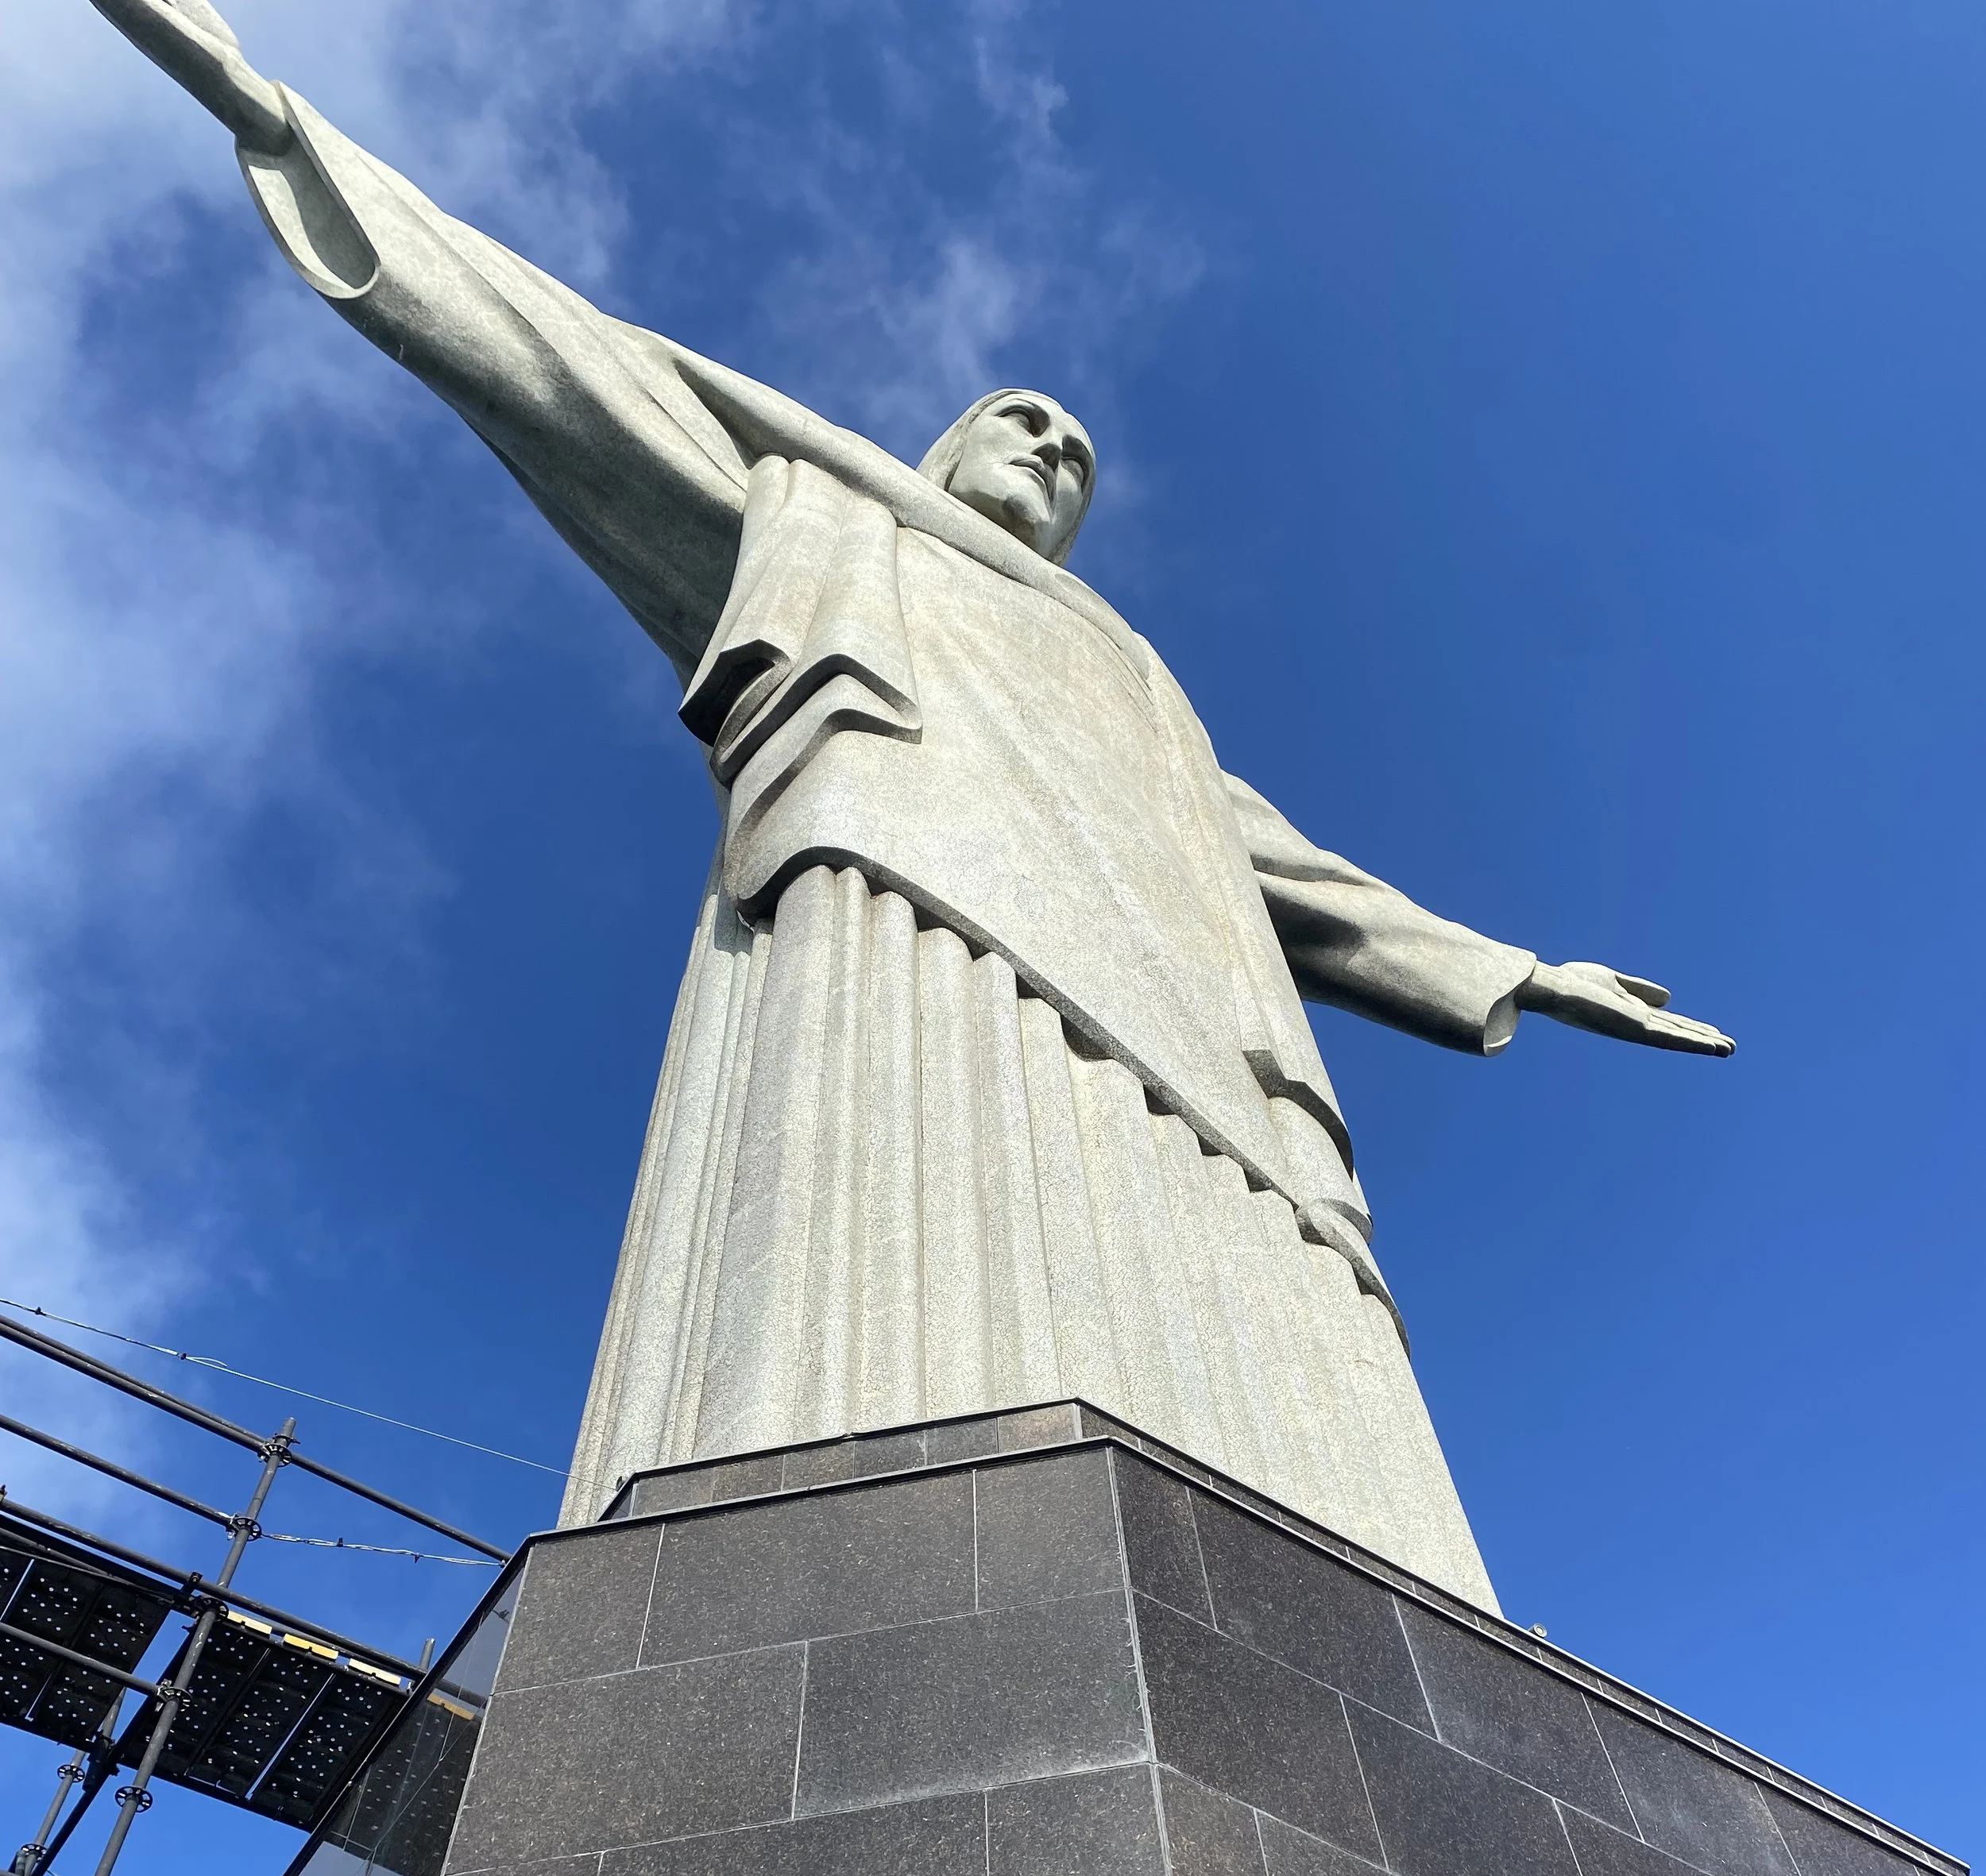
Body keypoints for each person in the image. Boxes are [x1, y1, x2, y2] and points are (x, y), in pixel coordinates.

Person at [82, 0, 1733, 1606]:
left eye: (1078, 449)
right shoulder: (818, 497)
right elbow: (564, 358)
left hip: (1203, 1034)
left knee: (1281, 1341)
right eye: (1019, 417)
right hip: (912, 895)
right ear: (943, 447)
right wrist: (270, 114)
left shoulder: (1140, 686)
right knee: (878, 1286)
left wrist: (1512, 972)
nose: (1050, 446)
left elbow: (1294, 875)